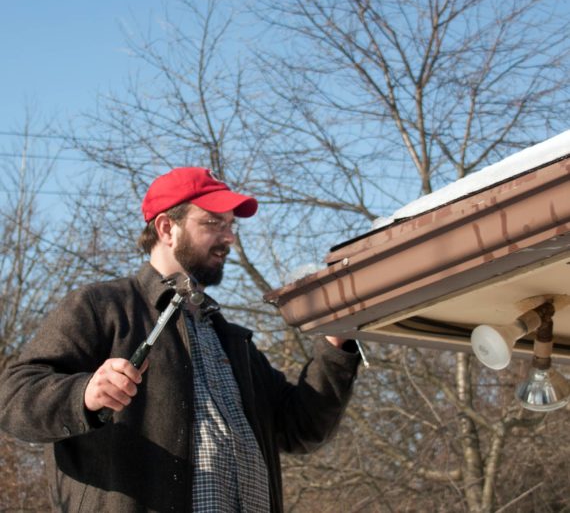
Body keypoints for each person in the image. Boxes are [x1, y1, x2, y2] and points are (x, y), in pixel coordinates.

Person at [0, 167, 360, 513]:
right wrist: (85, 395)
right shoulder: (102, 307)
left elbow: (302, 428)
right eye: (212, 222)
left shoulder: (232, 340)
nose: (229, 237)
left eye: (231, 225)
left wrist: (335, 346)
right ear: (166, 227)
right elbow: (13, 396)